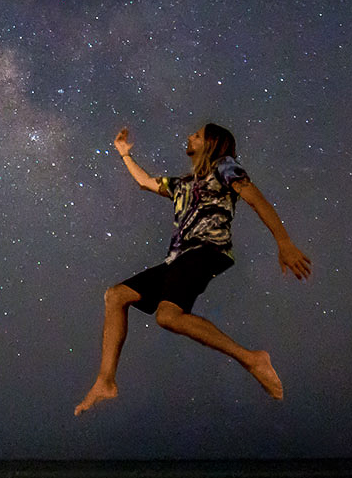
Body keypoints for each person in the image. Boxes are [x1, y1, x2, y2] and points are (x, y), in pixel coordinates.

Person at [74, 123, 311, 414]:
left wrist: (284, 242)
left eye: (197, 135)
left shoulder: (225, 167)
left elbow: (255, 199)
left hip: (207, 250)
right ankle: (105, 381)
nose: (189, 137)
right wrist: (124, 154)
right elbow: (146, 182)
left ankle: (252, 359)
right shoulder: (183, 184)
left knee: (167, 316)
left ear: (211, 144)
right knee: (116, 295)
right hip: (178, 259)